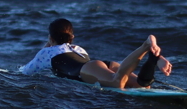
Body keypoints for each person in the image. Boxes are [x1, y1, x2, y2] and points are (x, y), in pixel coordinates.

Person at [21, 18, 172, 89]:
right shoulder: (78, 48)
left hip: (89, 69)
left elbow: (26, 71)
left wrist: (44, 48)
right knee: (142, 85)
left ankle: (146, 45)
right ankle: (154, 57)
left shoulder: (46, 52)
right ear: (72, 37)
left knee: (116, 82)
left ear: (50, 38)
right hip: (102, 65)